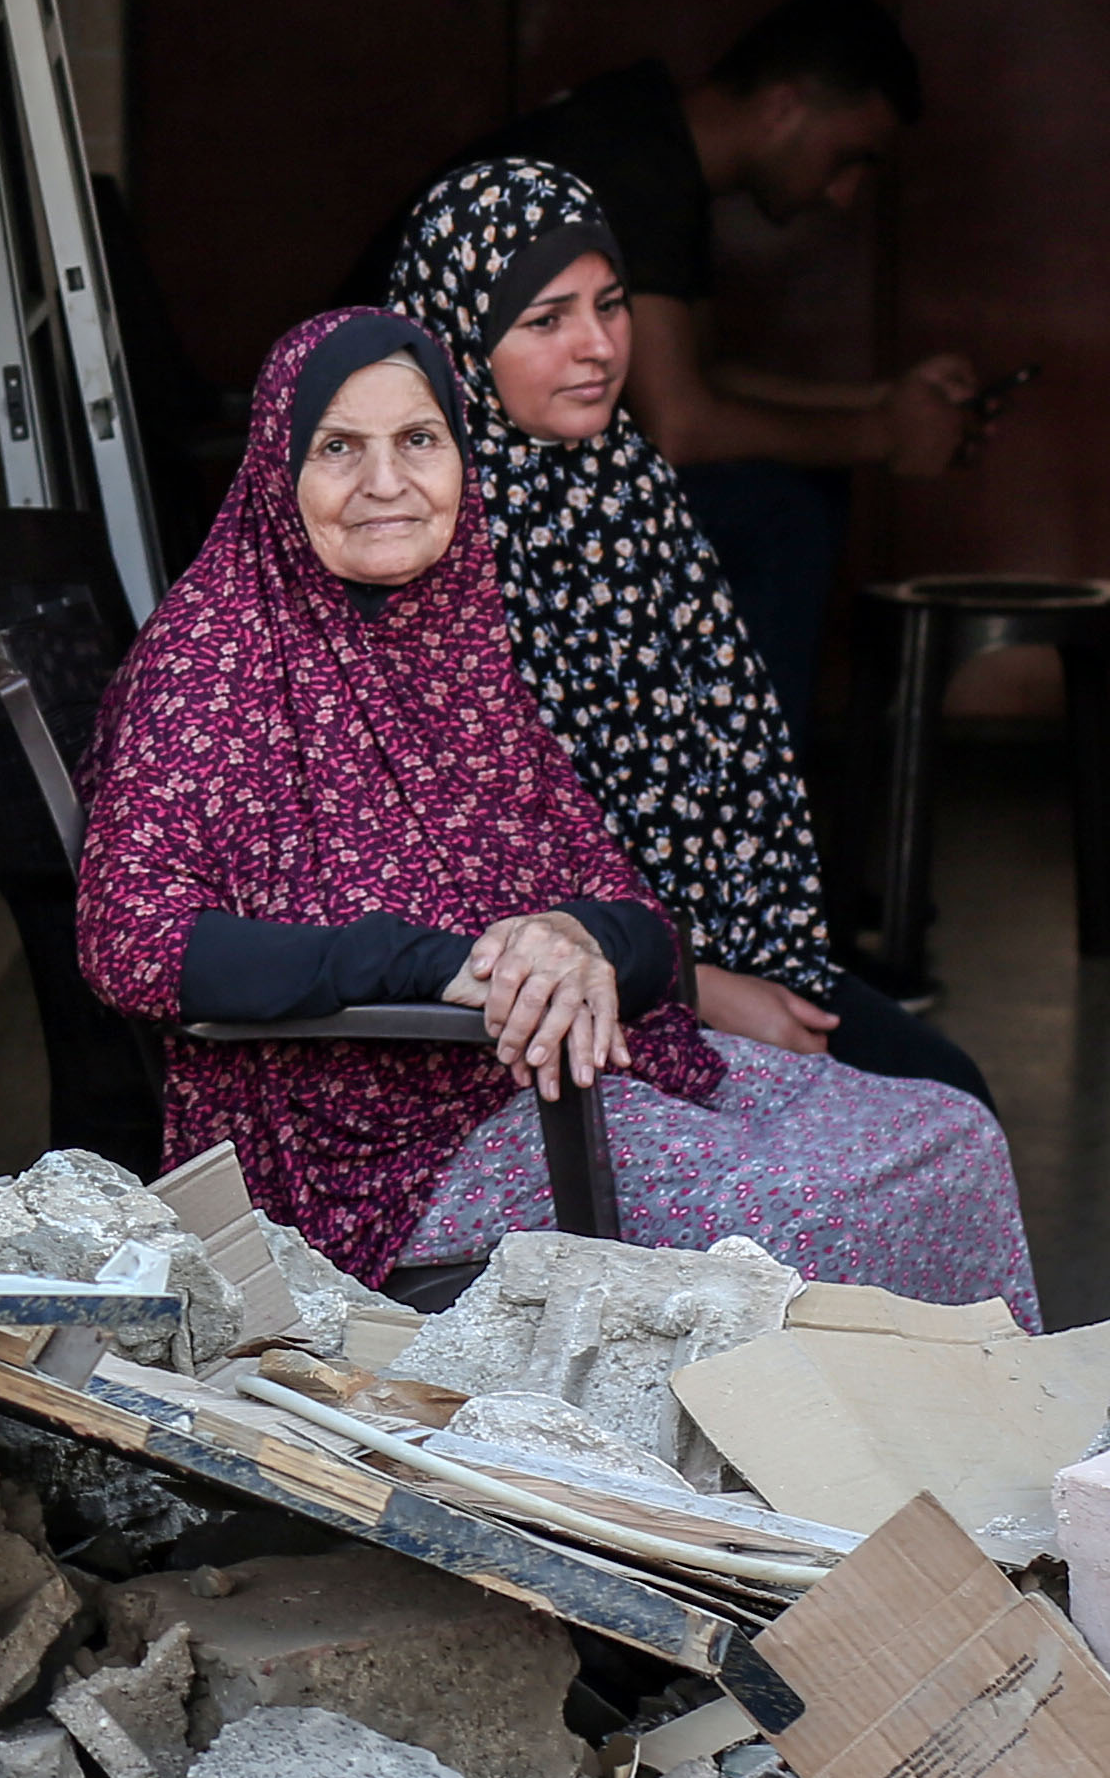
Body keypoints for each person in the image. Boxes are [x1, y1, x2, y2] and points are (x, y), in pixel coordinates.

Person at [67, 308, 1037, 1315]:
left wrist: (573, 935)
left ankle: (931, 1449)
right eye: (338, 449)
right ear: (277, 472)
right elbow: (129, 943)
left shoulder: (445, 641)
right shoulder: (212, 667)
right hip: (371, 1151)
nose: (386, 483)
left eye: (418, 440)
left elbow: (636, 915)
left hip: (540, 1086)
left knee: (952, 1130)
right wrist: (446, 966)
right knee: (842, 1199)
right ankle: (806, 1461)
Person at [383, 160, 988, 1103]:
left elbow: (728, 766)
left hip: (717, 950)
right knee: (927, 1116)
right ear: (457, 338)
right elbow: (464, 870)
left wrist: (750, 966)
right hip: (561, 1011)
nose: (598, 348)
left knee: (948, 1090)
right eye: (546, 320)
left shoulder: (626, 484)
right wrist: (695, 990)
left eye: (612, 304)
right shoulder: (422, 530)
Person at [393, 0, 972, 737]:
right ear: (782, 109)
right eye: (848, 158)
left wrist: (877, 403)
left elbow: (688, 384)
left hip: (474, 456)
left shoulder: (658, 147)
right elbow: (681, 430)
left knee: (790, 486)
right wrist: (883, 437)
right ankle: (733, 828)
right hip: (401, 470)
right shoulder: (636, 160)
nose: (845, 193)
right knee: (774, 512)